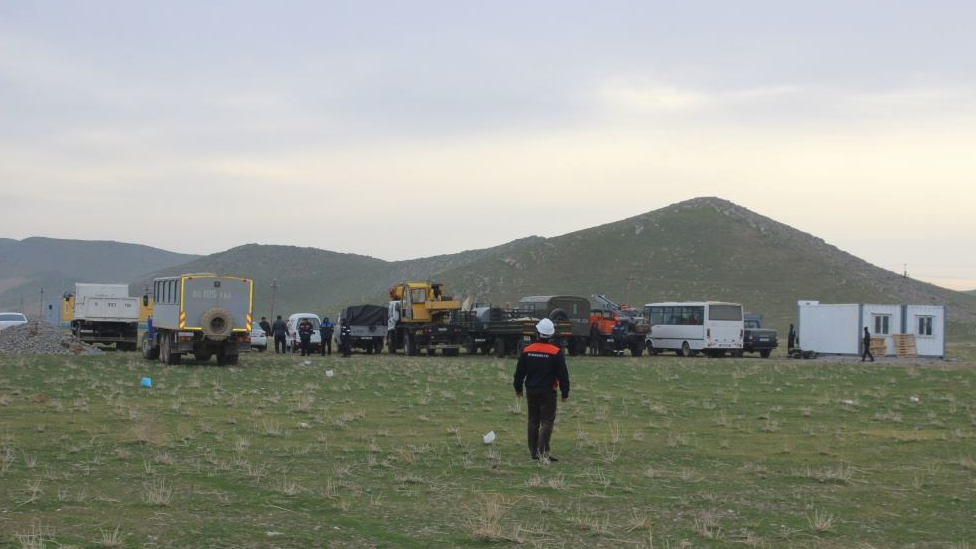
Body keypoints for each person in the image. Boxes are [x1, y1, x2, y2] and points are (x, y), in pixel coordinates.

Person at [513, 318, 570, 462]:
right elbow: (563, 374)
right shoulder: (556, 352)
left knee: (533, 421)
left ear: (537, 333)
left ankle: (534, 453)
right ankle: (542, 451)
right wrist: (565, 392)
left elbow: (519, 373)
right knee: (547, 421)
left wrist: (518, 388)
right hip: (548, 392)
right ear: (551, 335)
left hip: (531, 390)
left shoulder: (527, 350)